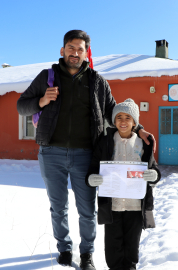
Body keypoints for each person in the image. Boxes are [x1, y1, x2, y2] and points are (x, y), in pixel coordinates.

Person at [16, 30, 154, 270]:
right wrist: (41, 101)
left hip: (85, 155)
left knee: (87, 209)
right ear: (63, 50)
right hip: (51, 153)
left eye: (80, 49)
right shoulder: (46, 77)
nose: (75, 53)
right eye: (71, 48)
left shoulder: (98, 82)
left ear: (86, 53)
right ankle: (64, 250)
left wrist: (139, 128)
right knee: (58, 207)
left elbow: (114, 113)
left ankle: (87, 254)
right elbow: (21, 106)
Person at [85, 99, 161, 270]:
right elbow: (93, 168)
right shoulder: (105, 142)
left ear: (135, 122)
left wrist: (153, 175)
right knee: (113, 249)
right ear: (113, 121)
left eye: (128, 117)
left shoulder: (144, 143)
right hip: (112, 206)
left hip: (136, 207)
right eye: (119, 117)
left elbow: (154, 169)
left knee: (131, 248)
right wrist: (92, 179)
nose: (123, 121)